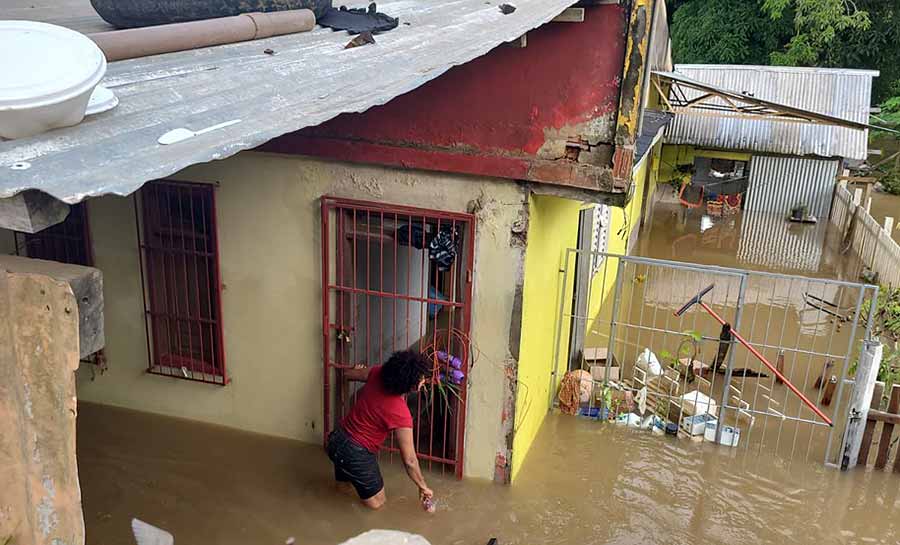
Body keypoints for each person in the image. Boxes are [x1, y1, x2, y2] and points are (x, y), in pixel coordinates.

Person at [327, 350, 434, 510]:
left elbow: (348, 374)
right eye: (421, 380)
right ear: (411, 386)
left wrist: (356, 369)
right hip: (355, 453)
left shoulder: (376, 372)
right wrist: (423, 486)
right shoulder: (400, 412)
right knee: (378, 505)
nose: (423, 382)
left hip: (336, 440)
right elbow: (410, 461)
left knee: (342, 490)